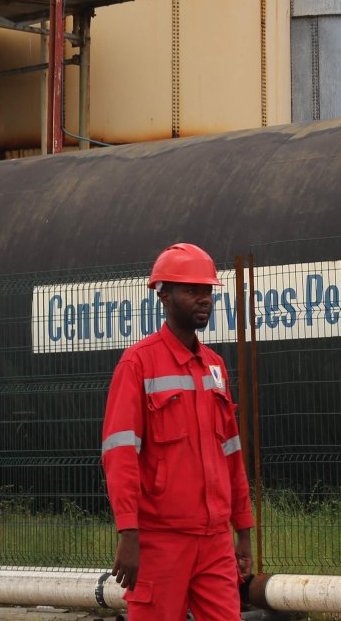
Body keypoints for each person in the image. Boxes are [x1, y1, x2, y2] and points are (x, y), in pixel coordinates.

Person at [101, 243, 253, 621]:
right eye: (192, 291)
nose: (204, 300)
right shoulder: (138, 364)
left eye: (208, 291)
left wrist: (244, 531)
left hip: (215, 540)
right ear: (164, 296)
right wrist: (129, 533)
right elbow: (119, 454)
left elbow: (232, 455)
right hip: (160, 541)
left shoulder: (215, 367)